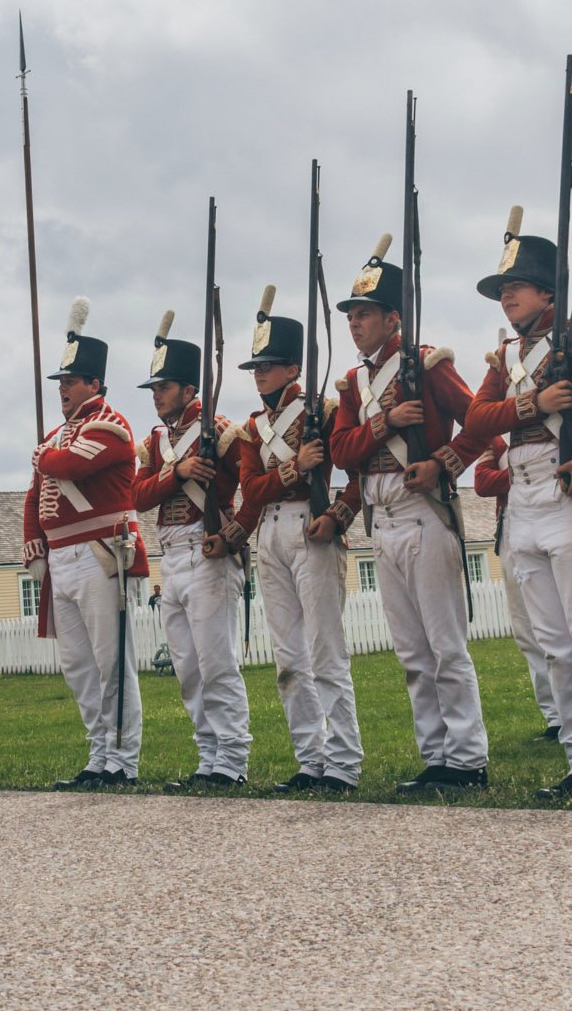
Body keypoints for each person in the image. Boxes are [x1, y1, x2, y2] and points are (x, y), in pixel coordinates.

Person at [462, 210, 572, 802]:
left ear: (547, 292)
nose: (506, 296)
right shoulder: (506, 359)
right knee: (554, 644)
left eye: (517, 286)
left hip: (570, 493)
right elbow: (477, 419)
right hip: (524, 498)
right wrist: (532, 404)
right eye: (503, 289)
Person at [329, 235, 491, 794]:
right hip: (381, 518)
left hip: (423, 512)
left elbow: (480, 421)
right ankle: (437, 755)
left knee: (445, 646)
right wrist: (386, 421)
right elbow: (342, 451)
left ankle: (467, 758)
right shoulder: (354, 384)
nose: (354, 323)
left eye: (364, 314)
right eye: (351, 314)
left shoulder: (426, 364)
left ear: (393, 318)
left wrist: (444, 463)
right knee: (413, 653)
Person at [233, 288, 364, 792]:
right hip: (269, 532)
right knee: (289, 659)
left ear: (292, 369)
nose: (259, 374)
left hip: (312, 527)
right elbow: (251, 490)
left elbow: (356, 473)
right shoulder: (252, 428)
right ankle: (311, 760)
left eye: (267, 366)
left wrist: (337, 517)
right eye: (256, 367)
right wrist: (294, 468)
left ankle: (344, 763)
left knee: (325, 652)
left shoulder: (323, 411)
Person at [22, 298, 148, 790]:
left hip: (101, 553)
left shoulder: (110, 426)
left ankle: (123, 761)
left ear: (94, 384)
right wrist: (34, 543)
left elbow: (70, 467)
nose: (62, 389)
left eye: (71, 381)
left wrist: (43, 454)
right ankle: (98, 755)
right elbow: (34, 497)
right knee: (78, 665)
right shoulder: (56, 438)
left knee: (111, 662)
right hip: (62, 558)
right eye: (60, 382)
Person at [132, 311, 253, 792]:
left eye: (164, 387)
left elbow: (251, 485)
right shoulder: (156, 441)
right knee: (187, 668)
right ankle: (208, 758)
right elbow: (139, 497)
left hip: (207, 552)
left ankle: (232, 760)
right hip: (171, 555)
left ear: (188, 389)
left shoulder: (219, 430)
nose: (157, 395)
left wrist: (234, 535)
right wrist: (177, 472)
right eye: (155, 387)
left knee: (217, 663)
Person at [474, 434, 561, 743]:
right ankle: (555, 716)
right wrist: (527, 472)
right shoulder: (497, 440)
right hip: (511, 525)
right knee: (527, 631)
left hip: (551, 513)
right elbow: (482, 481)